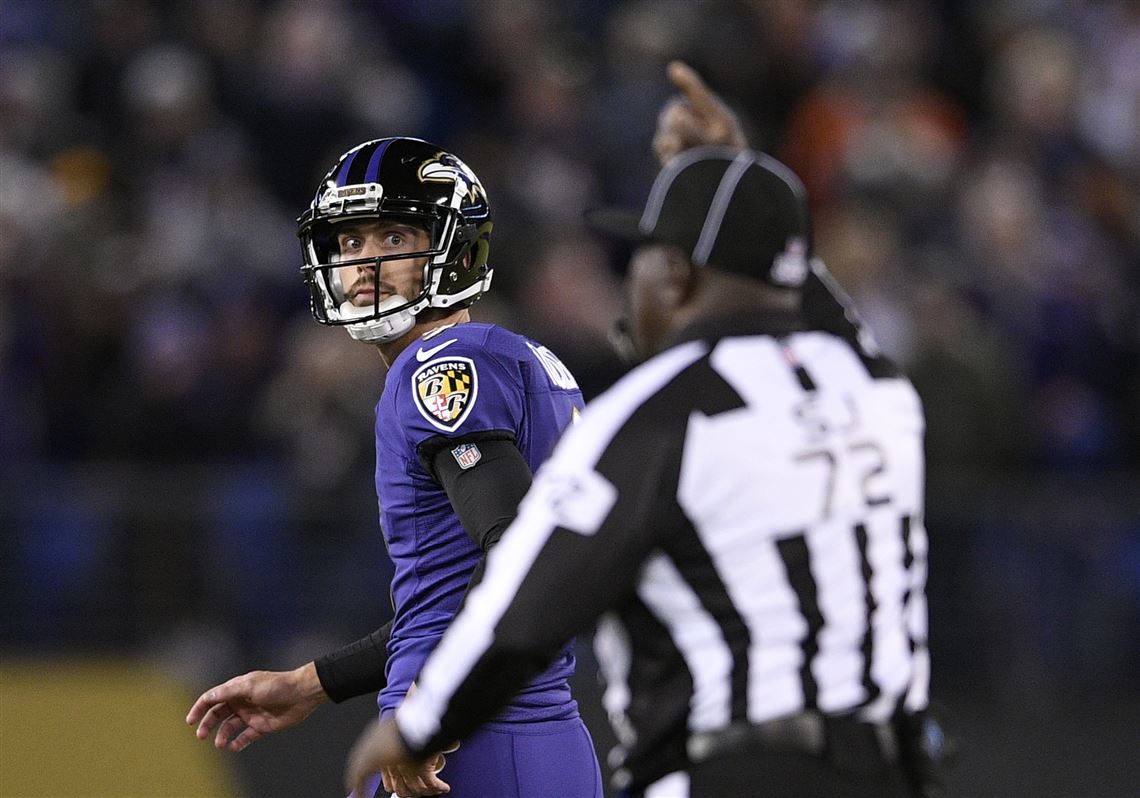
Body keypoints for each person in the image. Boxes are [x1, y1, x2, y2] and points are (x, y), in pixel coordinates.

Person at [343, 77, 950, 798]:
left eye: (643, 258)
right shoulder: (879, 389)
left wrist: (423, 723)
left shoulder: (654, 413)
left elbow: (531, 588)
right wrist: (740, 179)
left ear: (675, 274)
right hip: (894, 767)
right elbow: (820, 309)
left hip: (730, 767)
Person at [186, 136, 603, 798]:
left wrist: (430, 713)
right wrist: (314, 683)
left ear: (456, 249)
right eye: (349, 243)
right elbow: (449, 601)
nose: (363, 262)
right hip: (531, 738)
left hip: (475, 743)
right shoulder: (520, 359)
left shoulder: (441, 365)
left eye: (390, 237)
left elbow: (521, 554)